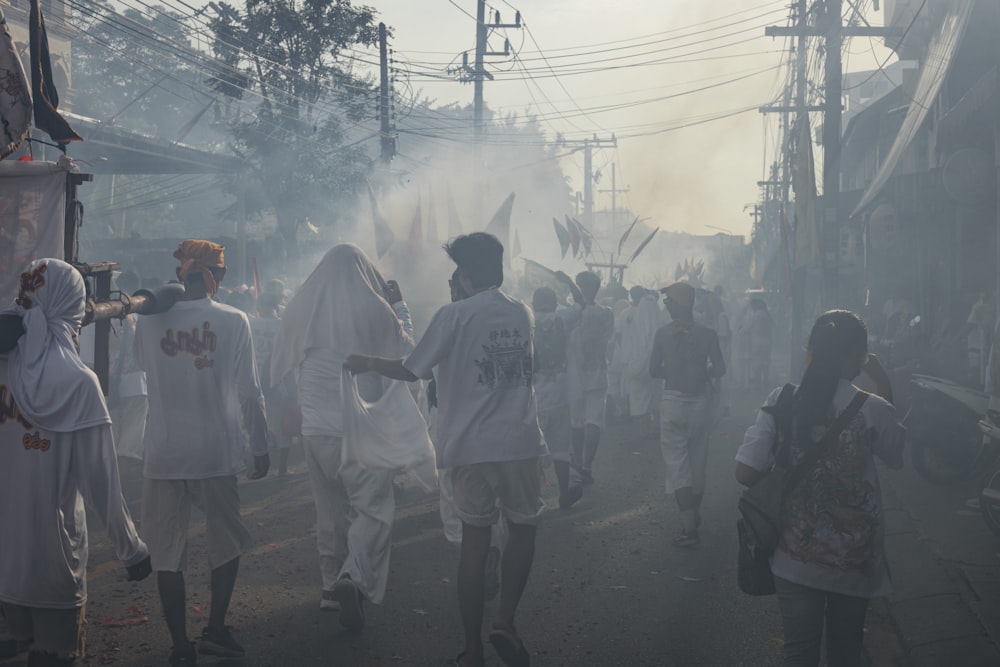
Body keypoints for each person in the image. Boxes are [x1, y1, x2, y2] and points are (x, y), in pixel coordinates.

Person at [345, 232, 543, 667]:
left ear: (465, 275)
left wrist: (366, 362)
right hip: (521, 442)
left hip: (469, 446)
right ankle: (505, 620)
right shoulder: (523, 313)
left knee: (475, 544)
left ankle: (472, 651)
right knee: (523, 528)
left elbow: (412, 369)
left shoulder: (454, 315)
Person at [0, 258, 151, 667]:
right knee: (51, 659)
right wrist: (131, 549)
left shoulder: (4, 364)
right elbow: (101, 480)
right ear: (70, 303)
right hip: (53, 561)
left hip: (5, 558)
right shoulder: (79, 382)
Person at [735, 310, 903, 667]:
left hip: (793, 554)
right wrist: (881, 378)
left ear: (810, 350)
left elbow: (745, 471)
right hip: (855, 559)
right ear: (859, 356)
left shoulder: (782, 399)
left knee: (799, 651)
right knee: (845, 651)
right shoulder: (872, 408)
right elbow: (896, 454)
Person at [135, 240, 270, 666]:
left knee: (167, 552)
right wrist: (261, 444)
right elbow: (250, 391)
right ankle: (215, 630)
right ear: (219, 276)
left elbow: (143, 373)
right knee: (225, 543)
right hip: (216, 451)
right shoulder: (234, 319)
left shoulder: (148, 322)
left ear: (182, 272)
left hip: (164, 451)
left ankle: (179, 643)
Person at [270, 244, 414, 631]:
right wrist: (400, 307)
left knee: (328, 510)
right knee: (372, 511)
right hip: (362, 431)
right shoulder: (374, 306)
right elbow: (409, 352)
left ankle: (330, 588)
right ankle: (354, 576)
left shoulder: (303, 304)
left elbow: (281, 358)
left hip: (316, 432)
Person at [649, 282, 725, 548]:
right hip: (699, 404)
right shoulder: (708, 334)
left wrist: (672, 371)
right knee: (697, 463)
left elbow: (653, 370)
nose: (666, 307)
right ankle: (693, 515)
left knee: (678, 467)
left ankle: (689, 529)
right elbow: (720, 368)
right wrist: (701, 375)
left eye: (668, 302)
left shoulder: (662, 334)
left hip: (672, 403)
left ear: (676, 305)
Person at [533, 286, 584, 509]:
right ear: (554, 303)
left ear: (534, 304)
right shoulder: (563, 319)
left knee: (532, 451)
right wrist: (570, 284)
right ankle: (564, 494)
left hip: (531, 399)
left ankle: (533, 499)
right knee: (561, 450)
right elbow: (580, 305)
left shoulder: (526, 320)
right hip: (559, 395)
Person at [567, 271, 615, 484]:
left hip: (575, 372)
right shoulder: (607, 312)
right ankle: (587, 465)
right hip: (598, 370)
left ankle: (578, 462)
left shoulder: (571, 312)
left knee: (576, 421)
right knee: (593, 420)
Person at [251, 289, 296, 476]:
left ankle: (259, 461)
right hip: (278, 380)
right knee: (282, 426)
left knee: (259, 423)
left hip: (255, 378)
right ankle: (282, 468)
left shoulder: (250, 323)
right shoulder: (283, 325)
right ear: (276, 306)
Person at [621, 287, 664, 438]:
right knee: (654, 394)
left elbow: (622, 337)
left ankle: (645, 430)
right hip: (654, 362)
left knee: (639, 396)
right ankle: (653, 428)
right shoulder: (661, 320)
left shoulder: (632, 316)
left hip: (637, 362)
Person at [742, 298, 773, 388]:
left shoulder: (756, 315)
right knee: (765, 361)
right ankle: (765, 381)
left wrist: (738, 333)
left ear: (756, 305)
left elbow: (747, 328)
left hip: (757, 342)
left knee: (757, 362)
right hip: (767, 342)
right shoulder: (767, 315)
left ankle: (758, 382)